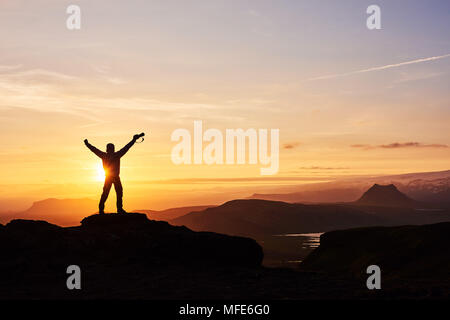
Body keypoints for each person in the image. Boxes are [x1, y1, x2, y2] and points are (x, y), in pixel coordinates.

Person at [84, 134, 142, 214]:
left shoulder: (104, 155)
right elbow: (127, 147)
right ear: (112, 149)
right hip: (114, 177)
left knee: (107, 193)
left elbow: (94, 150)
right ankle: (118, 209)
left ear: (107, 149)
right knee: (116, 192)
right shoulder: (117, 155)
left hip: (109, 177)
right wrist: (133, 140)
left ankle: (103, 210)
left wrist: (87, 144)